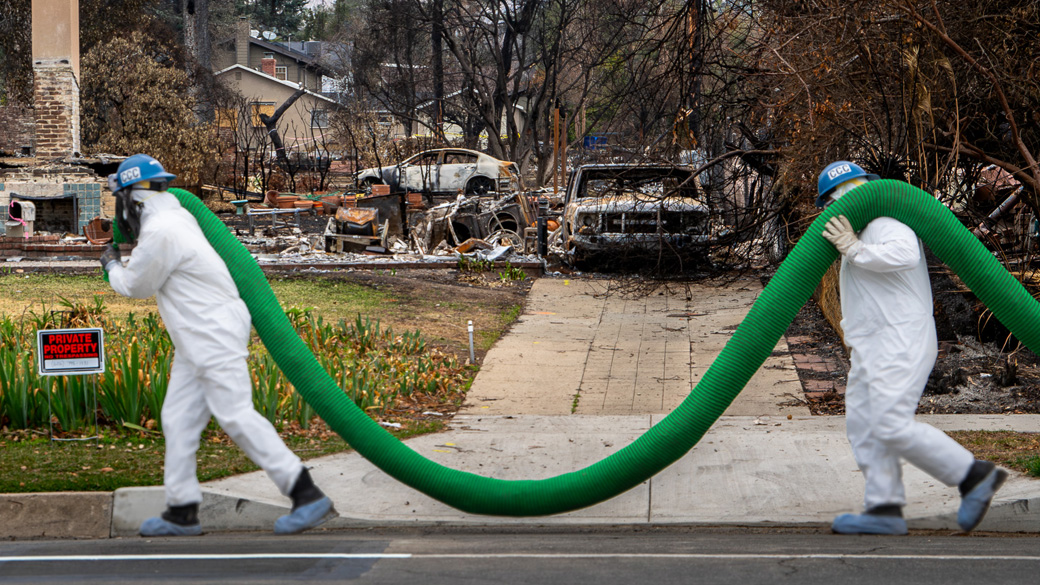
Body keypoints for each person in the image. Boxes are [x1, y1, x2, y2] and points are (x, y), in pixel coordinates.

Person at [101, 154, 336, 536]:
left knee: (236, 414)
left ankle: (306, 494)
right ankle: (181, 510)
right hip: (197, 337)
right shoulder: (175, 218)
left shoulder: (161, 230)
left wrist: (111, 263)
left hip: (210, 332)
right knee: (177, 419)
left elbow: (135, 286)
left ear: (132, 197)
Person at [817, 161, 1008, 535]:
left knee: (888, 423)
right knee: (863, 425)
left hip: (900, 341)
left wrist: (854, 249)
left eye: (850, 193)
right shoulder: (858, 236)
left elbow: (904, 254)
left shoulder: (885, 224)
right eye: (837, 199)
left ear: (869, 191)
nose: (845, 203)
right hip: (871, 348)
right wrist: (851, 249)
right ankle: (883, 507)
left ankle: (973, 475)